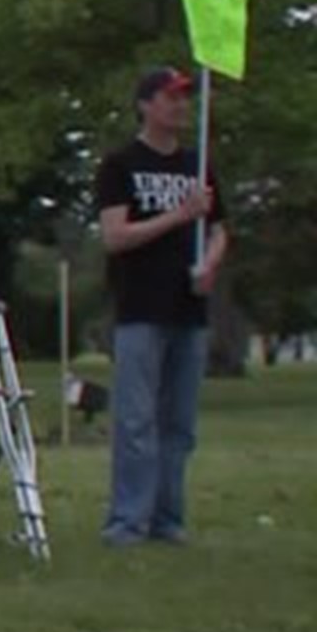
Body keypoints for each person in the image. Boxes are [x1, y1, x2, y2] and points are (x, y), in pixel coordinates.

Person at [95, 66, 228, 547]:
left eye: (184, 98)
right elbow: (114, 236)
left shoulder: (198, 166)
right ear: (146, 104)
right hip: (140, 310)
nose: (180, 106)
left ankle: (167, 519)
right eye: (170, 98)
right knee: (136, 422)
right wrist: (178, 215)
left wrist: (210, 264)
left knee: (179, 424)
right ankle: (127, 521)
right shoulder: (120, 165)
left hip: (188, 311)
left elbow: (218, 229)